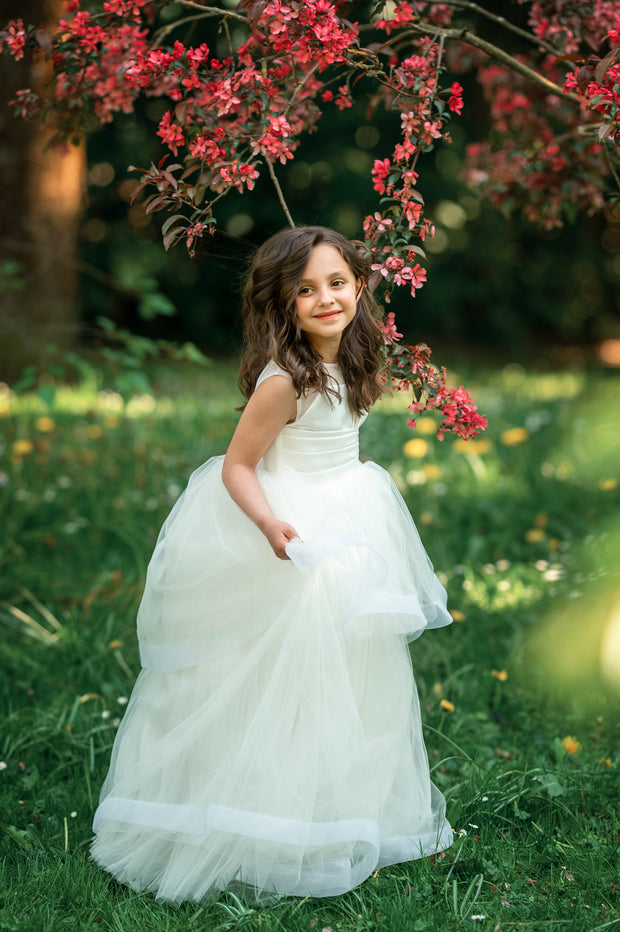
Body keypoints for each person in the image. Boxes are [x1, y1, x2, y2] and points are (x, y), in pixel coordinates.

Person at [91, 225, 454, 904]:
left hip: (351, 518)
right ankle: (254, 809)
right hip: (294, 529)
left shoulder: (352, 357)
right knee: (273, 671)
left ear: (359, 287)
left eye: (337, 283)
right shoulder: (285, 382)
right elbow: (237, 464)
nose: (325, 299)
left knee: (351, 670)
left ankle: (338, 799)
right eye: (306, 290)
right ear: (281, 303)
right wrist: (268, 524)